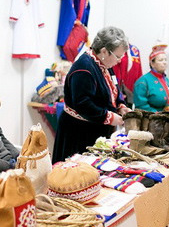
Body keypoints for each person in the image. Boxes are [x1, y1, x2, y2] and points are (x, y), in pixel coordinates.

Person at [52, 26, 131, 163]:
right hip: (79, 133)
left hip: (96, 131)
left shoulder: (104, 64)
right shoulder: (84, 68)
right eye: (118, 56)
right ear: (104, 51)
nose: (119, 61)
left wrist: (120, 106)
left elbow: (113, 89)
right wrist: (110, 117)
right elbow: (83, 104)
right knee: (78, 173)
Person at [132, 42, 169, 112]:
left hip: (167, 115)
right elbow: (141, 105)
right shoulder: (143, 82)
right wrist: (157, 115)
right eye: (161, 60)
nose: (164, 62)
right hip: (151, 116)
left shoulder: (166, 79)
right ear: (152, 63)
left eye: (165, 60)